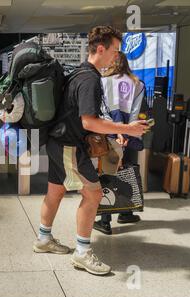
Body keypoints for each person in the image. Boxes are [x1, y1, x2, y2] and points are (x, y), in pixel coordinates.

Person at [32, 26, 149, 276]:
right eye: (115, 51)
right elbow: (88, 122)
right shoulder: (90, 79)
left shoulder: (79, 73)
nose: (116, 57)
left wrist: (114, 130)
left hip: (59, 141)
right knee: (94, 194)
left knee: (55, 190)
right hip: (69, 146)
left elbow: (88, 118)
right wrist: (127, 128)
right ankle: (82, 253)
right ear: (100, 49)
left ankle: (43, 239)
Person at [93, 51, 146, 235]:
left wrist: (116, 132)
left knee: (109, 173)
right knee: (128, 171)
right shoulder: (138, 83)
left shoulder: (103, 82)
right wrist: (127, 132)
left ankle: (105, 221)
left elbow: (103, 110)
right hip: (131, 135)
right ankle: (126, 211)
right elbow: (136, 113)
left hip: (111, 135)